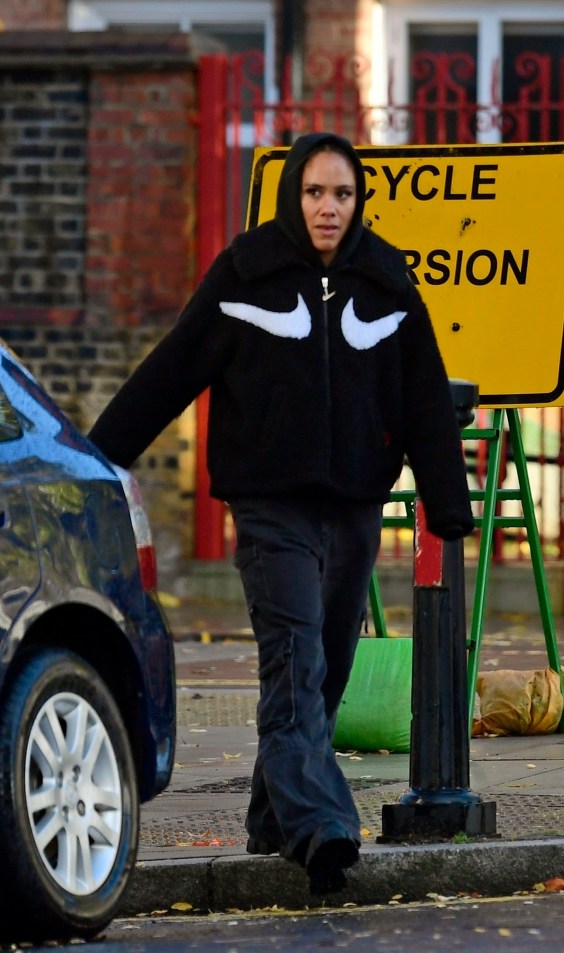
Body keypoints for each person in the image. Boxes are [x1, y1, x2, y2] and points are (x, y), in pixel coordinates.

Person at [89, 132, 475, 894]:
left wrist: (447, 502)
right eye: (315, 193)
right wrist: (98, 460)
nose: (329, 208)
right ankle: (322, 824)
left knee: (324, 669)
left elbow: (425, 397)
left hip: (357, 505)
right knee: (295, 660)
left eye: (342, 194)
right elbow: (173, 368)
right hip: (269, 506)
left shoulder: (386, 280)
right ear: (292, 196)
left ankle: (272, 816)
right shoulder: (246, 272)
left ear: (360, 201)